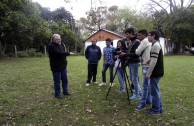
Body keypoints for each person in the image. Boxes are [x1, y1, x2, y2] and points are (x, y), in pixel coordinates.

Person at [48, 34, 73, 99]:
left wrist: (65, 61)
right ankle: (57, 94)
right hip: (56, 67)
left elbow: (62, 53)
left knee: (65, 80)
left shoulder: (60, 45)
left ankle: (65, 91)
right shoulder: (51, 46)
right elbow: (58, 53)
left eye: (59, 39)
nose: (59, 40)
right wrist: (68, 53)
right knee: (57, 81)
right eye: (57, 39)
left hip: (63, 66)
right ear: (53, 39)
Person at [119, 27, 141, 101]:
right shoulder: (132, 41)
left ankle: (137, 94)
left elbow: (136, 54)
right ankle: (138, 92)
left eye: (127, 34)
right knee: (133, 78)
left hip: (135, 62)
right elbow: (129, 52)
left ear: (131, 33)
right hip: (131, 62)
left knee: (134, 78)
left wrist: (125, 54)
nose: (126, 36)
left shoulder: (137, 41)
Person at [146, 30, 164, 115]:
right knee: (156, 90)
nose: (147, 37)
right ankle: (159, 108)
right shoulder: (155, 44)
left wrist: (148, 73)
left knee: (154, 92)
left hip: (155, 72)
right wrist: (149, 60)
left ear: (153, 36)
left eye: (149, 35)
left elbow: (154, 61)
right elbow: (153, 58)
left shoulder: (155, 45)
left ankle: (155, 110)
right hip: (158, 71)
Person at [135, 30, 152, 111]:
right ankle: (149, 100)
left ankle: (143, 104)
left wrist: (137, 49)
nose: (138, 37)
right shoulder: (148, 41)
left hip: (146, 65)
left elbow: (137, 52)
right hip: (149, 64)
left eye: (139, 35)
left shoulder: (144, 41)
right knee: (148, 85)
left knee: (145, 86)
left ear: (144, 35)